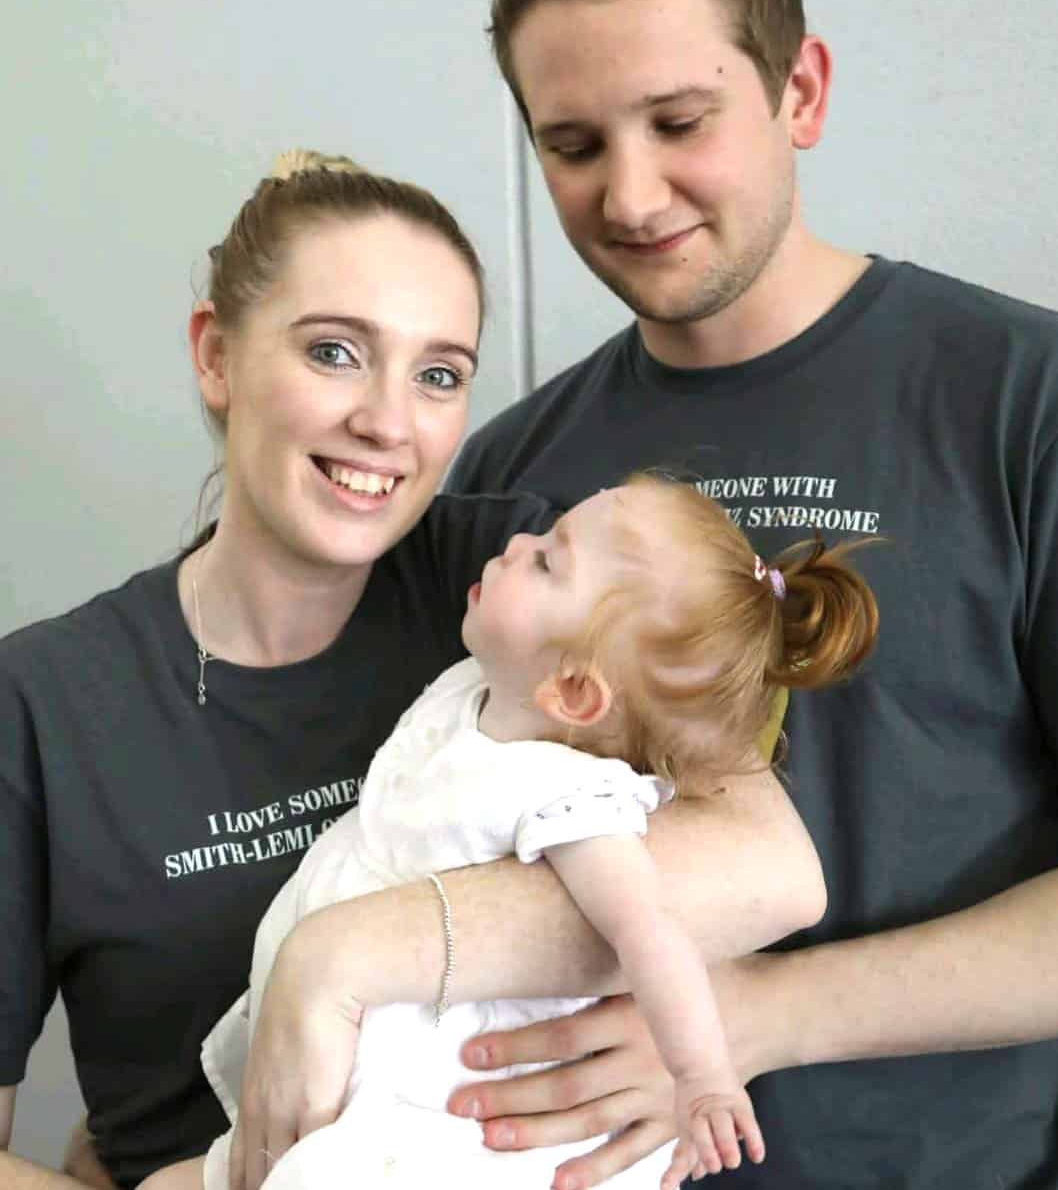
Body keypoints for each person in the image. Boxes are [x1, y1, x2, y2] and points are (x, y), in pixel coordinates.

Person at [0, 148, 824, 1190]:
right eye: (336, 352)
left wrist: (340, 955)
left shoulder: (509, 588)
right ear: (216, 355)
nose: (389, 422)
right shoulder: (42, 705)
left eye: (439, 373)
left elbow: (774, 868)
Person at [431, 0, 1058, 1188]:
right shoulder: (503, 479)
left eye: (677, 120)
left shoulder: (1023, 404)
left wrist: (766, 1015)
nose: (629, 192)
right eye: (571, 144)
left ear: (799, 92)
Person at [139, 473, 877, 1190]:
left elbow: (649, 932)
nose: (518, 543)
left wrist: (703, 1075)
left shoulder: (570, 799)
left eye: (548, 559)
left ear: (575, 690)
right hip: (341, 1084)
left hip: (427, 1127)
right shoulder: (475, 688)